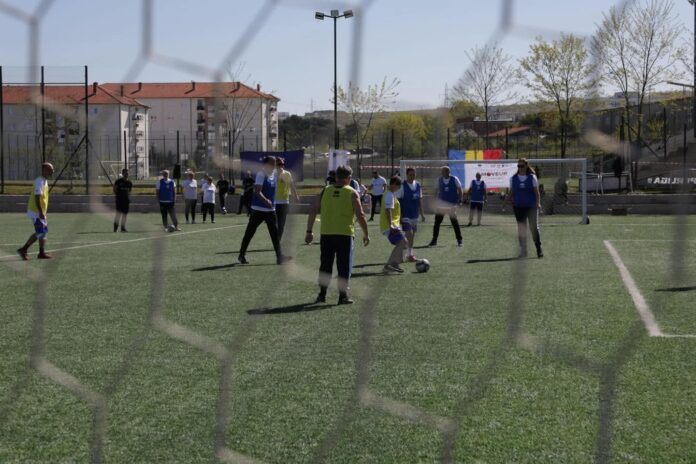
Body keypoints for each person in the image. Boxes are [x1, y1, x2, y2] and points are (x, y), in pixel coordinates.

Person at [306, 165, 370, 305]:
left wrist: (309, 231)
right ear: (349, 178)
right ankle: (342, 296)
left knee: (325, 264)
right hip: (344, 235)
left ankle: (322, 294)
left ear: (336, 177)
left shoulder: (325, 190)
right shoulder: (352, 192)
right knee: (343, 266)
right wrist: (366, 234)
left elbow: (313, 210)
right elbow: (360, 215)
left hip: (326, 234)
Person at [238, 156, 291, 265]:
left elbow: (283, 175)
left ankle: (279, 257)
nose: (274, 165)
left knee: (275, 234)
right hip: (258, 210)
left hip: (270, 210)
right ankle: (241, 255)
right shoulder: (261, 174)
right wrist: (266, 200)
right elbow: (257, 191)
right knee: (250, 232)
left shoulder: (275, 174)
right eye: (272, 163)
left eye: (275, 163)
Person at [506, 158, 543, 258]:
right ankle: (523, 251)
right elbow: (512, 192)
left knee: (534, 228)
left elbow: (537, 192)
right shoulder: (513, 178)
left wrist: (538, 203)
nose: (520, 168)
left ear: (526, 166)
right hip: (518, 207)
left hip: (531, 207)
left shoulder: (532, 177)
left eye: (522, 166)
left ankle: (539, 249)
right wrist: (506, 201)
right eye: (518, 166)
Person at [17, 162, 55, 260]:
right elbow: (37, 197)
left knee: (44, 232)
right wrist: (41, 212)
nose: (52, 171)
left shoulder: (45, 181)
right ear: (44, 170)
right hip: (36, 212)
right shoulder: (39, 181)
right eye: (50, 169)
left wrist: (43, 212)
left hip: (40, 212)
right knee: (40, 232)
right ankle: (23, 249)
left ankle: (41, 253)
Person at [428, 166, 463, 247]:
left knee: (455, 223)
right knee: (437, 223)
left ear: (448, 172)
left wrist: (460, 201)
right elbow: (435, 192)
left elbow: (460, 190)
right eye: (442, 171)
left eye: (443, 171)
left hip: (451, 205)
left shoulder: (454, 179)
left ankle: (459, 241)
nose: (442, 173)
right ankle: (434, 240)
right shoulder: (438, 180)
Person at [397, 168, 426, 262]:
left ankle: (408, 254)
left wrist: (422, 214)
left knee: (412, 236)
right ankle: (408, 254)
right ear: (406, 175)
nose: (412, 176)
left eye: (414, 174)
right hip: (405, 215)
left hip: (415, 215)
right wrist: (399, 215)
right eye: (410, 174)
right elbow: (398, 201)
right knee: (410, 234)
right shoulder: (402, 186)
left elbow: (420, 200)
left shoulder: (418, 185)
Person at [381, 176, 407, 273]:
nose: (399, 188)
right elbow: (388, 210)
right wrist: (391, 225)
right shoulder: (389, 195)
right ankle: (389, 264)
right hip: (390, 226)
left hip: (393, 225)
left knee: (403, 243)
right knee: (403, 242)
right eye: (398, 185)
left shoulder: (390, 194)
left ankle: (395, 263)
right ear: (394, 184)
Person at [275, 157, 301, 241]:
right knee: (274, 223)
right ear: (275, 165)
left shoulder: (287, 174)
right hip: (274, 202)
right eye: (279, 164)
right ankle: (275, 238)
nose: (281, 166)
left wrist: (296, 196)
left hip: (284, 202)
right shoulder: (272, 174)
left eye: (282, 164)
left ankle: (278, 240)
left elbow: (292, 185)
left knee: (282, 223)